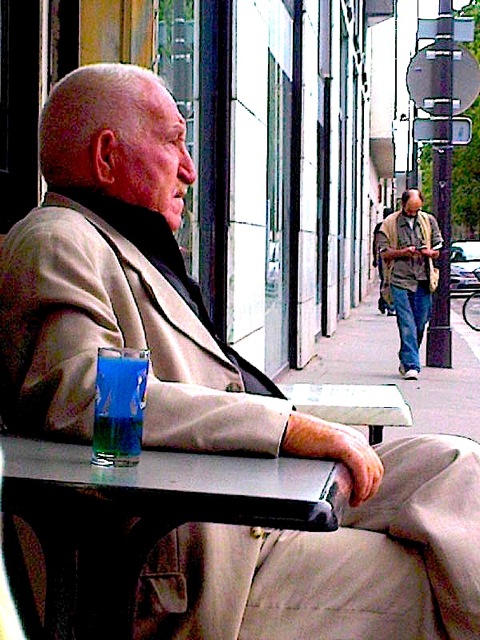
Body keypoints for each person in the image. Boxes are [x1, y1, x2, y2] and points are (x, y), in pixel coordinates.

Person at [0, 63, 479, 640]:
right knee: (423, 578)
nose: (190, 170)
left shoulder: (123, 243)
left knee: (457, 467)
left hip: (250, 498)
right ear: (106, 156)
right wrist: (290, 429)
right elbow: (82, 399)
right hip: (207, 558)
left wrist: (295, 434)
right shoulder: (57, 239)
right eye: (174, 141)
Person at [377, 188, 443, 381]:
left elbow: (438, 248)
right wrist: (403, 252)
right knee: (406, 323)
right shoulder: (389, 224)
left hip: (422, 278)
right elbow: (383, 253)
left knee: (420, 322)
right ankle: (412, 365)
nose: (413, 214)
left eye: (417, 210)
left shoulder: (428, 221)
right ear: (402, 205)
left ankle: (406, 358)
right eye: (410, 210)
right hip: (399, 279)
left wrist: (429, 252)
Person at [372, 207, 395, 315]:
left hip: (385, 257)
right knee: (388, 281)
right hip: (388, 257)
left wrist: (375, 258)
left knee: (385, 280)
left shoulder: (380, 226)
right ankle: (387, 304)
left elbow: (375, 244)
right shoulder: (392, 226)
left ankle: (384, 302)